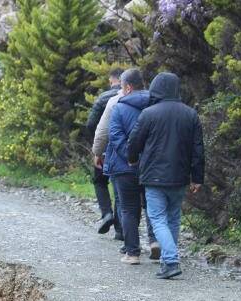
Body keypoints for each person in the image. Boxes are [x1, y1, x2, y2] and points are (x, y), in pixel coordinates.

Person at [128, 72, 205, 280]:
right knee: (172, 218)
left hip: (154, 176)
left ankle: (170, 261)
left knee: (157, 219)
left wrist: (132, 158)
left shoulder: (148, 113)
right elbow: (198, 149)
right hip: (180, 176)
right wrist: (197, 177)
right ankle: (166, 262)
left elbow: (134, 142)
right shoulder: (190, 114)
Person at [103, 68, 151, 265]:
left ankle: (132, 252)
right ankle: (156, 242)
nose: (120, 92)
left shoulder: (119, 108)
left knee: (129, 209)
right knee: (152, 206)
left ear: (128, 87)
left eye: (121, 88)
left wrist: (130, 157)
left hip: (125, 168)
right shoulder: (155, 104)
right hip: (151, 166)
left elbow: (115, 136)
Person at [85, 68, 123, 236]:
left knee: (100, 182)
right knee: (120, 188)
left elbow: (90, 124)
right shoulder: (130, 97)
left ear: (110, 80)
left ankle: (107, 213)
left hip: (104, 149)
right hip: (123, 150)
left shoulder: (103, 98)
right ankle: (121, 230)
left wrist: (96, 149)